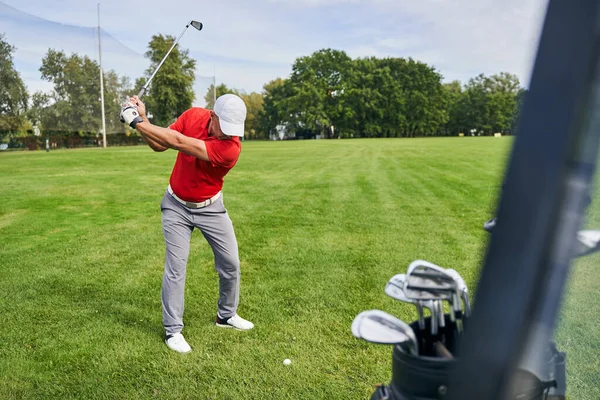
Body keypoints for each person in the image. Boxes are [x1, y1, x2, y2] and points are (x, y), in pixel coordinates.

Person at [120, 94, 254, 354]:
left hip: (211, 208)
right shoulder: (193, 115)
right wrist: (143, 119)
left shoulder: (231, 149)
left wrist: (135, 122)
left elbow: (179, 142)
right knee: (176, 267)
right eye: (224, 126)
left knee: (231, 263)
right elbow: (161, 145)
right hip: (176, 206)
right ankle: (173, 330)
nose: (229, 134)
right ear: (212, 116)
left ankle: (226, 316)